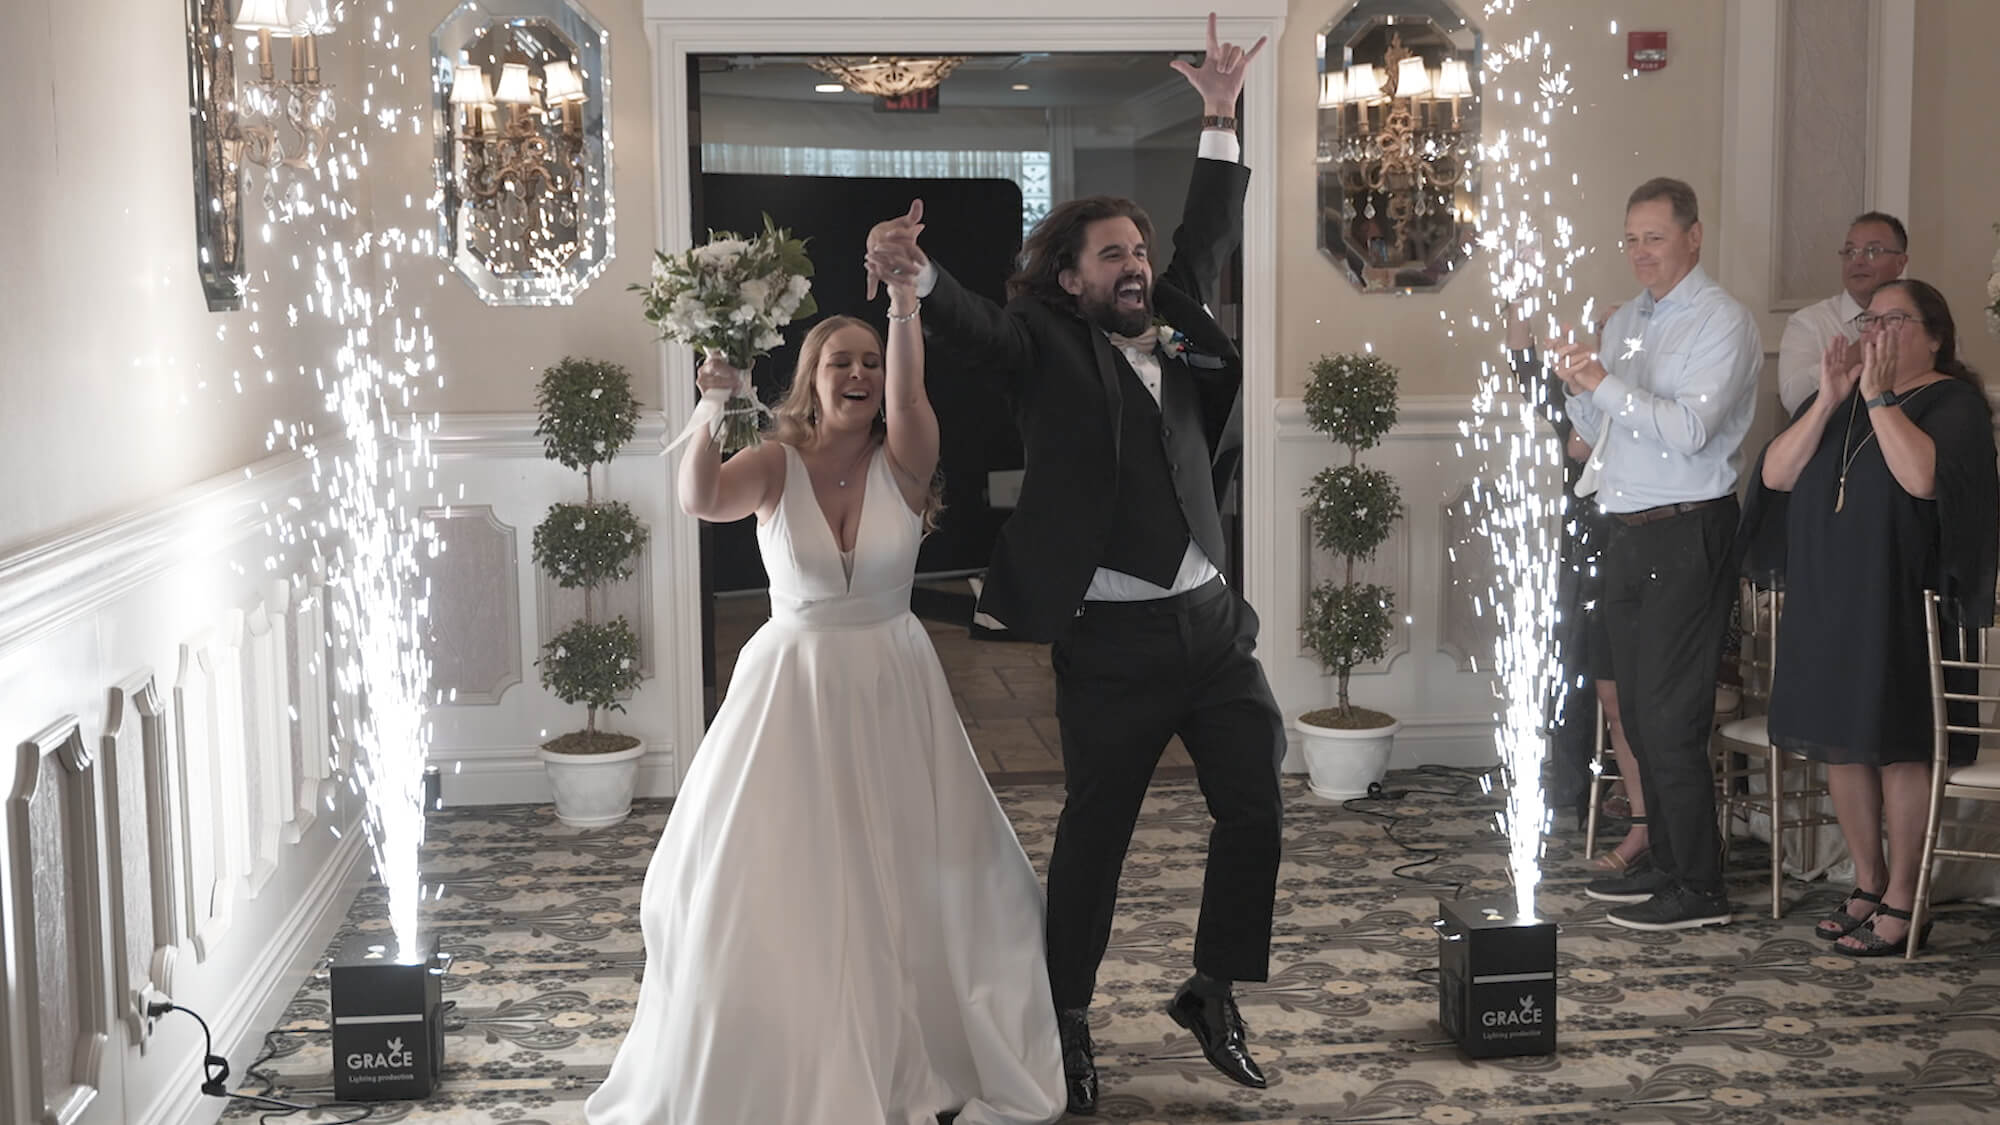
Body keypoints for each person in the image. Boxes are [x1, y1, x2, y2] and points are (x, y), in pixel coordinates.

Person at [864, 15, 1278, 1115]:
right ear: (1065, 277)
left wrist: (1220, 116)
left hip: (1208, 624)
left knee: (1256, 808)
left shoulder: (1178, 321)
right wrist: (916, 277)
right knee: (1096, 836)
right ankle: (1067, 1016)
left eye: (1139, 253)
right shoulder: (1037, 341)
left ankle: (1209, 987)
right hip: (1112, 641)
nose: (1136, 267)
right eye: (1113, 256)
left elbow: (1212, 231)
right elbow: (972, 330)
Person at [584, 272, 1065, 1124]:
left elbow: (914, 389)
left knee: (917, 866)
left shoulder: (906, 460)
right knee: (783, 865)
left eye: (870, 363)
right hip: (791, 689)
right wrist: (711, 404)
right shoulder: (775, 461)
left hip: (892, 682)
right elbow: (701, 498)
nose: (859, 374)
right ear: (811, 376)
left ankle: (921, 1031)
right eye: (841, 360)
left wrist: (907, 302)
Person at [1747, 279, 1997, 957]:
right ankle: (1866, 881)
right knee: (1843, 744)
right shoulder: (1840, 400)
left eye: (1895, 319)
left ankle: (1905, 896)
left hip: (1904, 606)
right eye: (1870, 319)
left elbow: (1922, 479)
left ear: (1936, 335)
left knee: (1898, 748)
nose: (1877, 330)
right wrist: (1831, 396)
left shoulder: (1953, 402)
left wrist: (1881, 397)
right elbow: (1774, 473)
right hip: (1830, 600)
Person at [1552, 176, 1762, 931]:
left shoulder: (1722, 322)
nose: (1641, 251)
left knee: (1672, 717)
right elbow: (1600, 426)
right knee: (1638, 714)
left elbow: (1690, 431)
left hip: (1687, 530)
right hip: (1627, 528)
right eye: (1632, 237)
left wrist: (1604, 381)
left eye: (1655, 236)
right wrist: (1576, 379)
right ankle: (1670, 868)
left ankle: (1701, 888)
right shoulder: (1626, 320)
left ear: (1693, 236)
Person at [1506, 310, 1649, 873]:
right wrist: (1518, 299)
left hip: (1637, 558)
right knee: (1577, 679)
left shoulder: (1642, 404)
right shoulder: (1577, 394)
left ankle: (1642, 808)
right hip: (1582, 564)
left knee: (1632, 694)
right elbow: (1523, 362)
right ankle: (1576, 787)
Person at [1777, 213, 1909, 415]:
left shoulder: (1919, 319)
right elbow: (1795, 400)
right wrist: (1860, 349)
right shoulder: (1809, 322)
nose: (1858, 261)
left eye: (1872, 251)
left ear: (1900, 263)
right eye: (1850, 252)